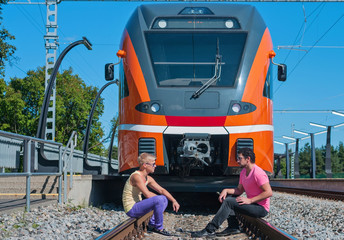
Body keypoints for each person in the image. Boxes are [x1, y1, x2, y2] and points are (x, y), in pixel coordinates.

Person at [191, 147, 273, 238]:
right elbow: (239, 190)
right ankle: (233, 227)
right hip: (253, 205)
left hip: (261, 208)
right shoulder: (243, 172)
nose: (237, 161)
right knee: (229, 196)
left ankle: (210, 230)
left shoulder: (258, 173)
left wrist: (250, 200)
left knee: (229, 202)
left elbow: (269, 192)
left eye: (240, 158)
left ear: (248, 159)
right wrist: (225, 190)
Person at [122, 152, 180, 236]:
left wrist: (174, 201)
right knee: (160, 199)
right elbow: (147, 194)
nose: (155, 166)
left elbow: (161, 190)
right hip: (131, 209)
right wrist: (160, 200)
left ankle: (152, 224)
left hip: (138, 205)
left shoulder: (148, 178)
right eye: (153, 164)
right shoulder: (136, 176)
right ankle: (159, 228)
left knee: (164, 198)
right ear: (145, 165)